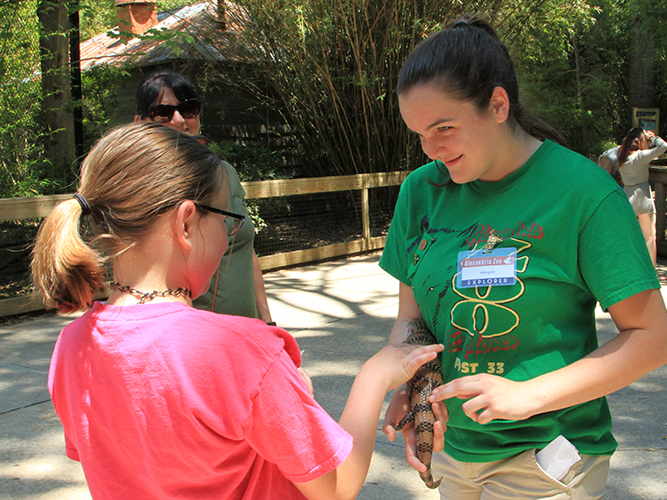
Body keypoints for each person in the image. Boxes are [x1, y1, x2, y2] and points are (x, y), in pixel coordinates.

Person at [31, 122, 444, 500]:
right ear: (187, 223)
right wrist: (375, 378)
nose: (229, 234)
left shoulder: (72, 346)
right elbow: (336, 488)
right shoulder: (241, 350)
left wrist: (275, 395)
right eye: (227, 219)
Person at [379, 14, 667, 500]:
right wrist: (417, 395)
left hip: (547, 454)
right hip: (458, 451)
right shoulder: (422, 191)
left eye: (444, 128)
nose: (431, 149)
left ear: (498, 104)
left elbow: (653, 339)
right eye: (419, 134)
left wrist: (526, 395)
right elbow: (412, 322)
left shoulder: (583, 194)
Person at [134, 71, 274, 323]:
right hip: (191, 341)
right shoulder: (140, 189)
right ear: (140, 122)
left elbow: (245, 250)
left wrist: (268, 323)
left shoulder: (224, 173)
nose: (179, 121)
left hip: (247, 332)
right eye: (162, 113)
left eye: (188, 109)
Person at [618, 127, 667, 266]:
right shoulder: (641, 156)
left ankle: (630, 267)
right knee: (649, 237)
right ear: (640, 141)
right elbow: (664, 146)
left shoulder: (622, 158)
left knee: (630, 237)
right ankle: (650, 270)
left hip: (627, 198)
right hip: (643, 198)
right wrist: (653, 138)